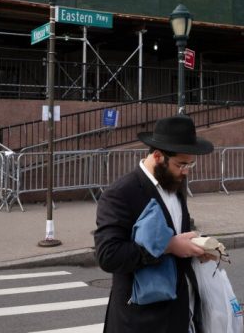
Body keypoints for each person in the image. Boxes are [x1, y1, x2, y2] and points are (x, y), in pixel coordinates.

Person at [94, 115, 214, 333]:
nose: (186, 171)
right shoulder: (121, 193)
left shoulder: (174, 184)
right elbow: (108, 256)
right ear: (158, 156)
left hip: (177, 313)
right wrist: (168, 245)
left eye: (190, 164)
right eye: (181, 164)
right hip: (140, 321)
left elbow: (177, 234)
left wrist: (197, 247)